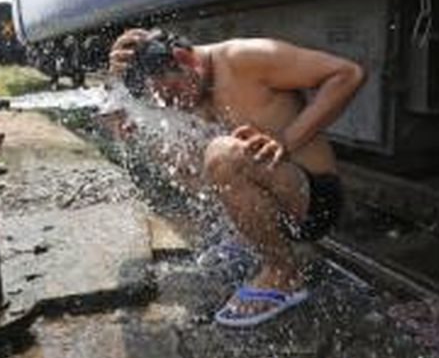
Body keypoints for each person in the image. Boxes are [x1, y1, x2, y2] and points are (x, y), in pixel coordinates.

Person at [109, 27, 366, 327]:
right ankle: (248, 237)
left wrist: (286, 140)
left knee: (222, 154)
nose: (173, 104)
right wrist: (119, 93)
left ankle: (284, 274)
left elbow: (348, 74)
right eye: (164, 99)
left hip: (312, 200)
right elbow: (182, 160)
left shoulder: (247, 57)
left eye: (173, 92)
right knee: (172, 146)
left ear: (184, 59)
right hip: (272, 194)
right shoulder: (190, 84)